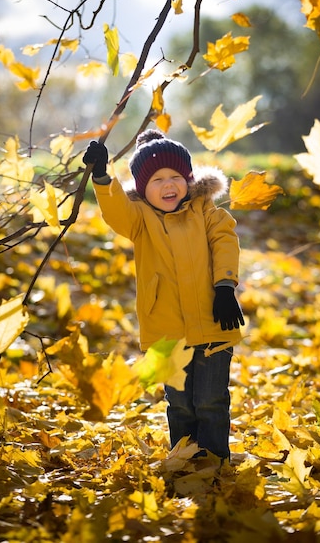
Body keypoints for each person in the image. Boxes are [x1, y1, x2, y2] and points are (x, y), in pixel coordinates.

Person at [83, 130, 244, 461]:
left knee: (211, 400)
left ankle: (214, 462)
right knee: (181, 402)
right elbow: (116, 212)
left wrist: (225, 286)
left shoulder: (206, 211)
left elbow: (225, 242)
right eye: (157, 180)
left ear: (188, 178)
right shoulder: (140, 220)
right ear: (142, 188)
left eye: (175, 177)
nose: (168, 186)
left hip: (213, 322)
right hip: (167, 331)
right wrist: (102, 176)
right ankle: (185, 459)